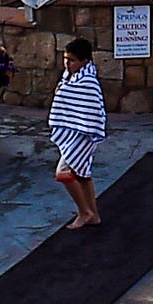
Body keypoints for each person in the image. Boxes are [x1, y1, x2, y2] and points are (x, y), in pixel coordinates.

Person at [48, 36, 105, 226]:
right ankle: (94, 215)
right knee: (82, 175)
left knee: (63, 172)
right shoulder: (70, 77)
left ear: (84, 61)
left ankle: (84, 212)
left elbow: (93, 111)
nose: (67, 63)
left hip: (84, 134)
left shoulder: (88, 82)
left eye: (71, 60)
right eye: (65, 59)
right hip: (73, 132)